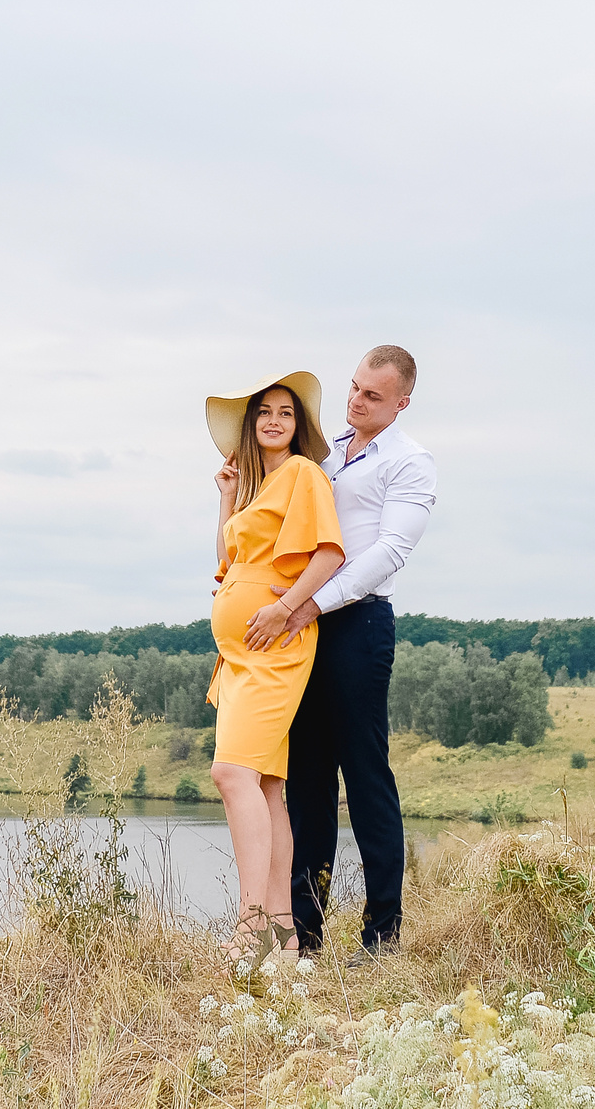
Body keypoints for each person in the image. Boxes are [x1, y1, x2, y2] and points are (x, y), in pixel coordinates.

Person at [248, 345, 434, 958]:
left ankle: (382, 936)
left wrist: (311, 604)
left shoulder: (410, 463)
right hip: (302, 626)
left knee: (366, 777)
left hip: (358, 627)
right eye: (353, 388)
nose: (355, 402)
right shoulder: (322, 459)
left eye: (372, 396)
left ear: (402, 402)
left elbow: (387, 553)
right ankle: (305, 934)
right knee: (304, 781)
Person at [202, 371, 346, 963]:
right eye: (263, 411)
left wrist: (285, 609)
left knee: (231, 775)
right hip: (237, 654)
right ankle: (284, 936)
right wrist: (227, 500)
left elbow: (330, 553)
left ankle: (249, 923)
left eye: (285, 413)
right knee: (265, 785)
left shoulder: (303, 475)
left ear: (299, 424)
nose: (274, 420)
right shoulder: (257, 491)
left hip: (274, 645)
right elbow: (227, 564)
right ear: (249, 423)